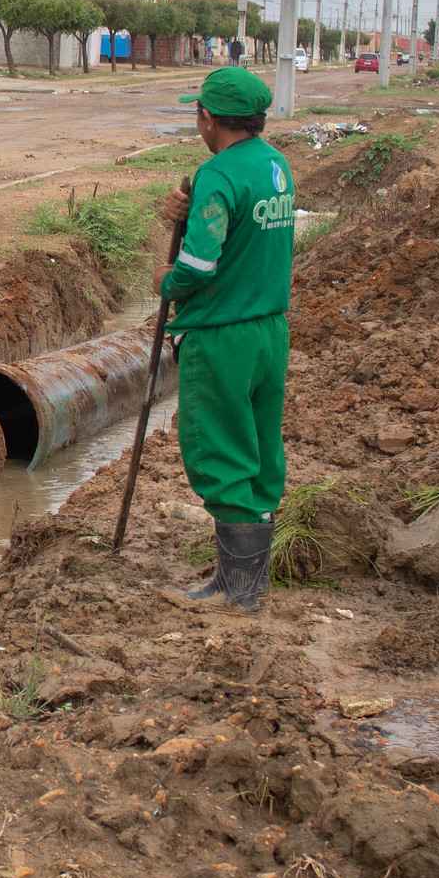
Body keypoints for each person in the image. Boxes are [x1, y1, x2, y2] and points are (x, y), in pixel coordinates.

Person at [154, 66, 294, 614]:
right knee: (258, 446)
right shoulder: (275, 166)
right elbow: (244, 235)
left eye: (199, 115)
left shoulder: (217, 173)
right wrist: (190, 216)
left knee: (219, 447)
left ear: (209, 119)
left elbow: (198, 264)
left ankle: (240, 591)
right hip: (268, 330)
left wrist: (166, 282)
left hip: (221, 334)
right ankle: (244, 580)